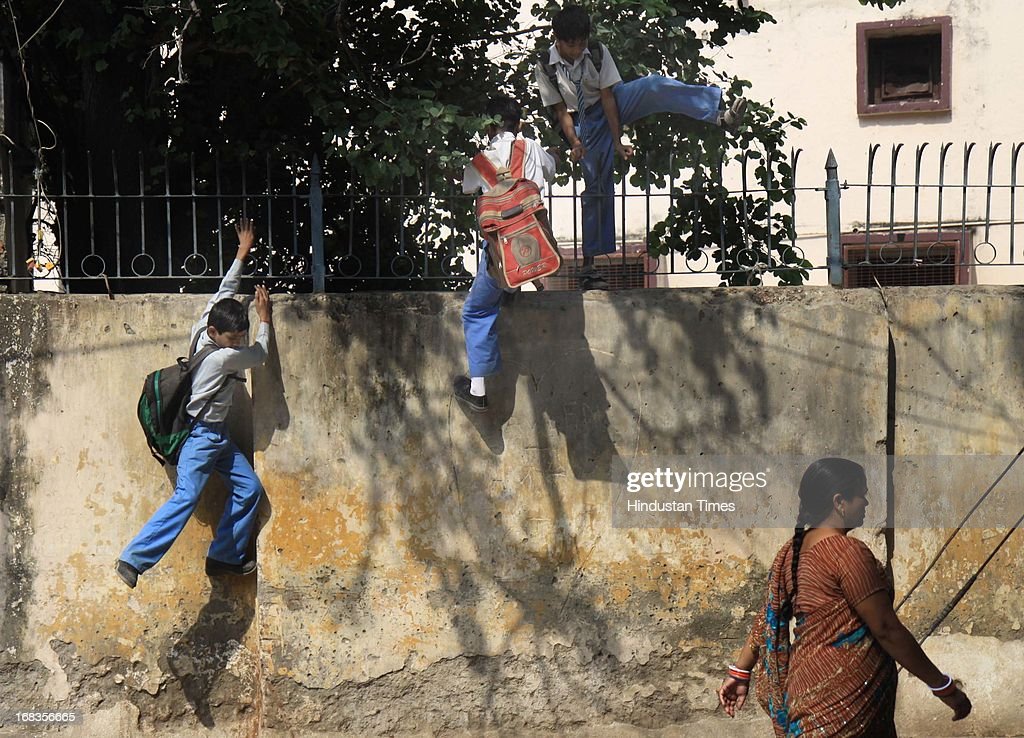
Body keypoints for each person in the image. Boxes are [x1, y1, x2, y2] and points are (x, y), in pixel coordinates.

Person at [718, 457, 972, 736]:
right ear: (839, 501)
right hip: (844, 704)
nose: (866, 502)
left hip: (808, 696)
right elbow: (887, 629)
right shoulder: (846, 553)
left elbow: (767, 618)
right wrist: (943, 687)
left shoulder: (792, 552)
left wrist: (740, 672)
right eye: (861, 494)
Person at [535, 5, 747, 290]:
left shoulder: (597, 52)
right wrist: (574, 143)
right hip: (580, 122)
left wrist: (618, 141)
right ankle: (589, 267)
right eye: (571, 45)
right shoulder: (545, 66)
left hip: (609, 104)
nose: (577, 50)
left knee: (653, 86)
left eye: (581, 43)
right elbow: (561, 112)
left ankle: (719, 116)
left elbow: (609, 98)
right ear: (558, 40)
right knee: (597, 185)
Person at [116, 219, 272, 588]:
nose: (237, 342)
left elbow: (225, 289)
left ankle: (224, 558)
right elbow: (261, 354)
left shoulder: (206, 322)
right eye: (233, 338)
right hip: (202, 438)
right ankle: (133, 559)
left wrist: (241, 253)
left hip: (217, 438)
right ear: (216, 335)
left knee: (249, 489)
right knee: (186, 497)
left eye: (240, 336)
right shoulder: (222, 357)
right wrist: (264, 321)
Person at [453, 95, 557, 413]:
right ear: (520, 123)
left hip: (501, 250)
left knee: (476, 312)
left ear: (487, 126)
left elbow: (467, 187)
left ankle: (478, 390)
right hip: (535, 242)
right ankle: (516, 286)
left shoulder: (482, 159)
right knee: (504, 282)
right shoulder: (532, 148)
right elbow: (549, 173)